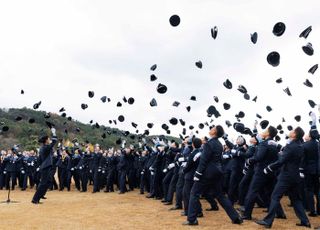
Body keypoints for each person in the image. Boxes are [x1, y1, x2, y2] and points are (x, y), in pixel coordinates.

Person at [183, 125, 243, 226]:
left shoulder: (208, 144)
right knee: (220, 196)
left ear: (215, 132)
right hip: (217, 172)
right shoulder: (219, 144)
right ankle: (236, 217)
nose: (211, 129)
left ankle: (192, 219)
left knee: (194, 193)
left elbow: (204, 160)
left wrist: (198, 173)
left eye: (213, 128)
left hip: (207, 173)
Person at [256, 127, 311, 228]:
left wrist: (269, 167)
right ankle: (305, 221)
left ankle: (268, 221)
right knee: (296, 199)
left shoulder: (290, 146)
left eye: (292, 130)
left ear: (294, 135)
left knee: (275, 196)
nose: (290, 131)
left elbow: (281, 161)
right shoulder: (300, 146)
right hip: (296, 176)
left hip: (286, 176)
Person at [31, 127, 57, 204]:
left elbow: (39, 159)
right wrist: (54, 133)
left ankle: (41, 195)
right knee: (43, 183)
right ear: (46, 141)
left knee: (49, 181)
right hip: (45, 167)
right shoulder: (45, 147)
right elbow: (54, 142)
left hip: (46, 167)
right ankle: (35, 199)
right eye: (49, 139)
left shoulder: (43, 147)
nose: (50, 140)